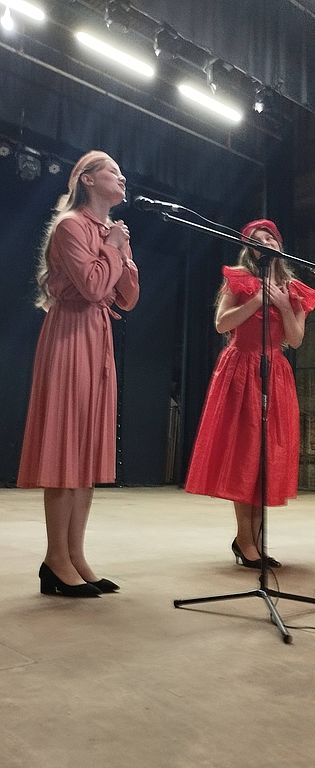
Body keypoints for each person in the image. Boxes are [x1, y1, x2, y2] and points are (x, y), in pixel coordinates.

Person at [17, 150, 140, 597]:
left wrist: (118, 249)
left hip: (97, 335)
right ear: (87, 179)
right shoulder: (71, 226)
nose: (122, 177)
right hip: (71, 333)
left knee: (86, 452)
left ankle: (75, 555)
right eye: (113, 170)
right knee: (67, 446)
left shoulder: (111, 232)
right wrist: (113, 248)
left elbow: (127, 297)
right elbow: (91, 286)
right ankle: (55, 558)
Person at [185, 218, 315, 568]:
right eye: (258, 239)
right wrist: (257, 301)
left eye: (270, 237)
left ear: (279, 244)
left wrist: (284, 306)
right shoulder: (240, 280)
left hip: (274, 372)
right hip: (241, 369)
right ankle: (245, 539)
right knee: (245, 453)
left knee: (266, 457)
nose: (266, 242)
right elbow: (221, 323)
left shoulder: (294, 290)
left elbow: (295, 340)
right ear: (249, 248)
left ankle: (253, 540)